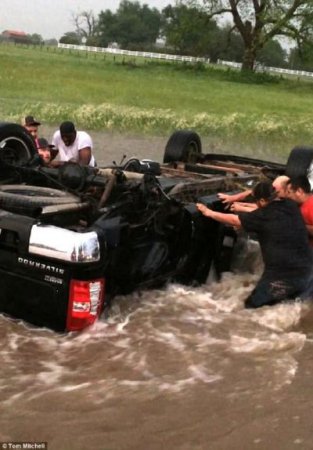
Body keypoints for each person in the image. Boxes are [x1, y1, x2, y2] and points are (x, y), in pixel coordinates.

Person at [197, 180, 313, 309]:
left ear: (262, 201)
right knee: (292, 308)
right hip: (307, 271)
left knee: (251, 308)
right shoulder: (290, 205)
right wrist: (240, 203)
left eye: (256, 200)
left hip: (282, 276)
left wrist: (209, 213)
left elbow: (235, 220)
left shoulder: (263, 215)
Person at [221, 175, 290, 213]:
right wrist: (233, 198)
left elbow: (266, 214)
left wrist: (242, 208)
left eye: (276, 192)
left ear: (287, 190)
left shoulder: (289, 205)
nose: (273, 193)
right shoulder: (276, 196)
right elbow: (252, 192)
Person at [287, 176, 313, 246]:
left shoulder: (311, 205)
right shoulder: (302, 205)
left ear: (299, 191)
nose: (288, 196)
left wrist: (299, 225)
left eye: (289, 192)